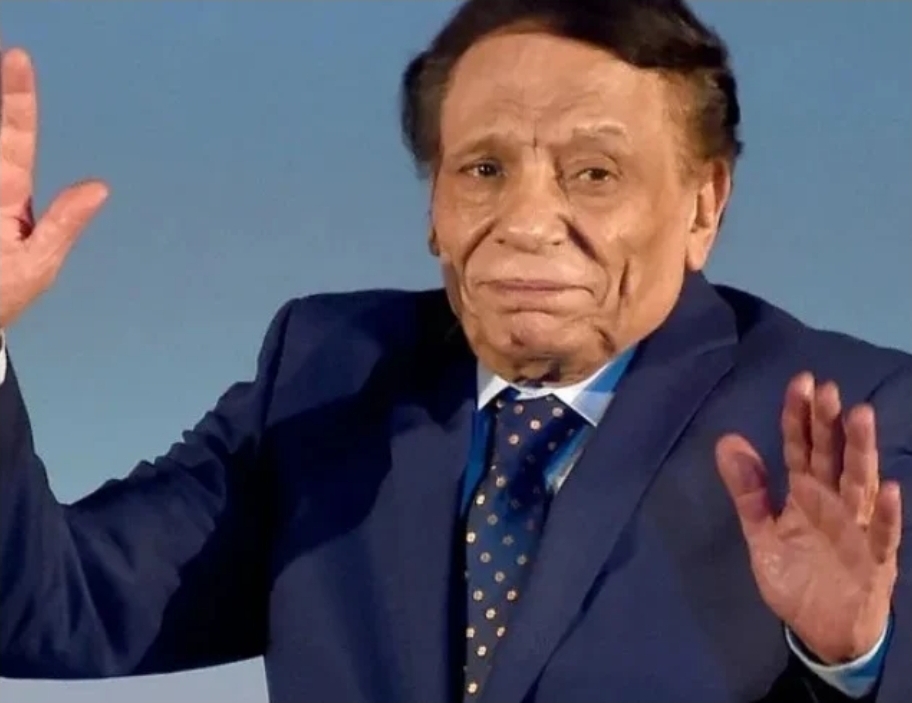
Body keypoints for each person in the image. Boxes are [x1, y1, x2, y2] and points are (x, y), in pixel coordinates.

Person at [0, 1, 909, 701]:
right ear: (434, 204)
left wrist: (849, 658)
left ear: (704, 205)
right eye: (484, 169)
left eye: (594, 174)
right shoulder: (325, 374)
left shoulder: (848, 419)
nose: (526, 221)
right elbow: (54, 608)